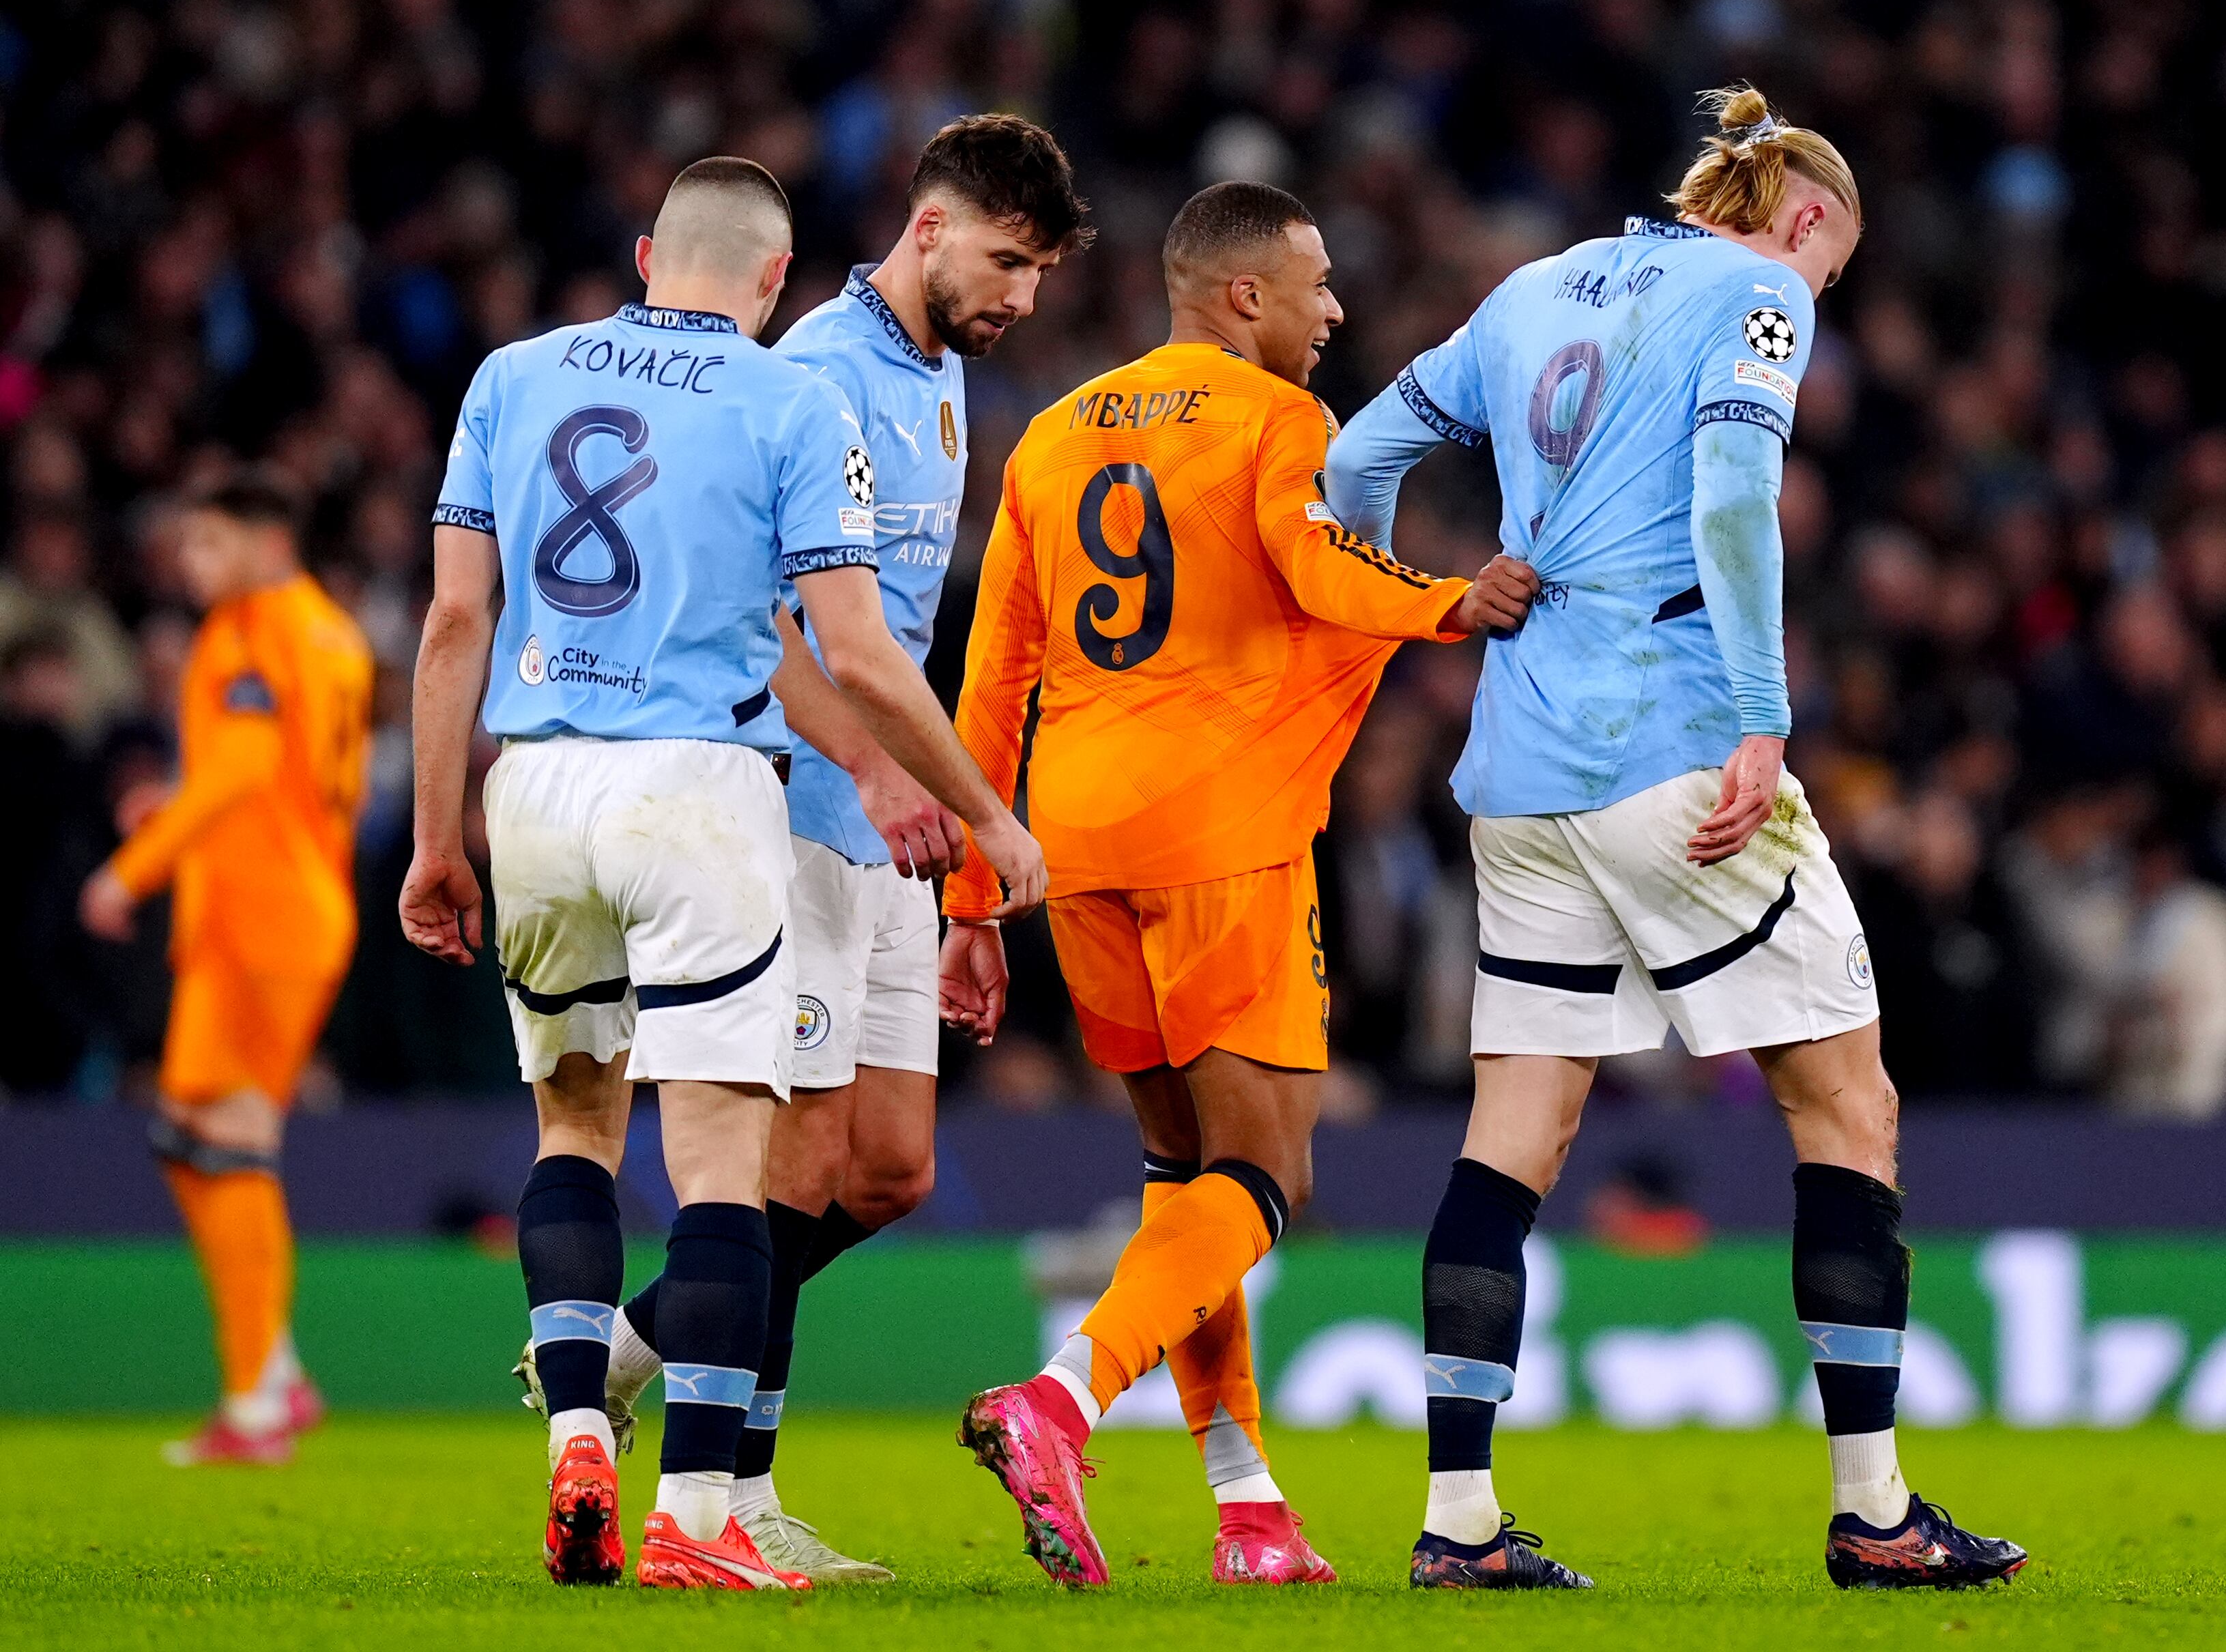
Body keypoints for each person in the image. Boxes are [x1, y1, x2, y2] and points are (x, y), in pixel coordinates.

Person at [1324, 85, 2029, 1591]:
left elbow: (1352, 462)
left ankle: (1459, 1523)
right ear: (1809, 221)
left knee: (1510, 1137)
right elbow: (1731, 495)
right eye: (1830, 269)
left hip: (1516, 772)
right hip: (1675, 757)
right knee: (1847, 1106)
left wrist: (1428, 589)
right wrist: (1764, 720)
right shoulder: (1761, 292)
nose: (1818, 293)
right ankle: (1876, 1512)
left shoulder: (1528, 290)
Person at [401, 156, 1045, 1591]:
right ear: (774, 281)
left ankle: (581, 1415)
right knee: (724, 1165)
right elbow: (849, 646)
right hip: (701, 788)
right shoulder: (788, 394)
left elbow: (454, 624)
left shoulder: (510, 374)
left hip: (537, 784)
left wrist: (440, 838)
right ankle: (700, 1516)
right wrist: (978, 812)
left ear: (644, 254)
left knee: (574, 1131)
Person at [942, 181, 1536, 1588]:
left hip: (1070, 838)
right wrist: (1449, 600)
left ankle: (1247, 1503)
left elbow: (989, 681)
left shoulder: (1048, 435)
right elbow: (1317, 560)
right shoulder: (1277, 423)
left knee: (1183, 1181)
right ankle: (1060, 1398)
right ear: (1243, 295)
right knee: (1266, 1174)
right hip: (1218, 829)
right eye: (1318, 283)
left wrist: (971, 898)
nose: (1336, 310)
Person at [77, 471, 370, 1467]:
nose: (189, 564)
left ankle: (257, 1402)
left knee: (230, 1138)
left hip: (260, 915)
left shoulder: (249, 629)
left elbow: (247, 772)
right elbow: (283, 774)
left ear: (261, 539)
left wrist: (131, 869)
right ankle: (273, 1371)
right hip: (287, 901)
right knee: (191, 1133)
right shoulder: (331, 631)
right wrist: (176, 806)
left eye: (206, 544)